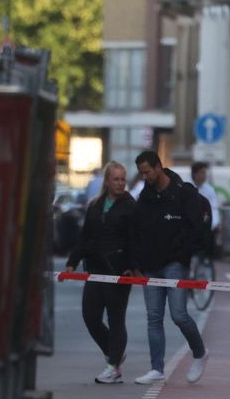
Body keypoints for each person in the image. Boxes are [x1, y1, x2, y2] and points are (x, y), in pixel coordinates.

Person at [130, 150, 210, 384]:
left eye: (147, 172)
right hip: (151, 265)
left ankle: (200, 353)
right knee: (154, 317)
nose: (145, 177)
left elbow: (198, 227)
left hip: (175, 263)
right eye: (141, 173)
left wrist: (185, 252)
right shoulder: (146, 197)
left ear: (158, 167)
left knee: (179, 315)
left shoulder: (183, 193)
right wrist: (137, 263)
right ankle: (157, 368)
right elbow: (137, 230)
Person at [62, 161, 136, 384]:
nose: (121, 183)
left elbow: (135, 240)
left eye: (123, 179)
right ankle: (114, 352)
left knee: (116, 320)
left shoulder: (130, 206)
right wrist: (72, 262)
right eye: (116, 179)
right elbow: (85, 238)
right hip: (95, 269)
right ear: (107, 181)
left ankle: (113, 368)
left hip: (118, 271)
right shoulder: (95, 205)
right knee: (90, 316)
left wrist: (131, 265)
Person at [191, 162, 221, 255]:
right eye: (202, 173)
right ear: (195, 174)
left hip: (205, 226)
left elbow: (214, 208)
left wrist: (213, 224)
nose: (205, 176)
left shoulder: (209, 190)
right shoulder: (188, 188)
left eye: (205, 173)